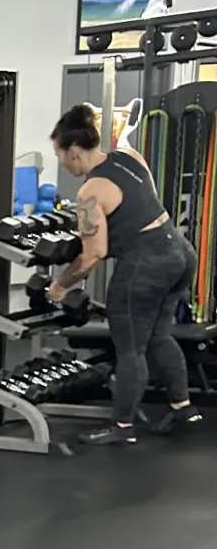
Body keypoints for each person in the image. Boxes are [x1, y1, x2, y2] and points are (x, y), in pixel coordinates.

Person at [49, 104, 201, 445]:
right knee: (159, 336)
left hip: (146, 264)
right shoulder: (130, 156)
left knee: (130, 347)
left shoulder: (89, 193)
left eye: (59, 154)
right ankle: (183, 408)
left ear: (74, 151)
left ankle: (122, 427)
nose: (61, 161)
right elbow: (140, 206)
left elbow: (94, 253)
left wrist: (60, 285)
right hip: (179, 251)